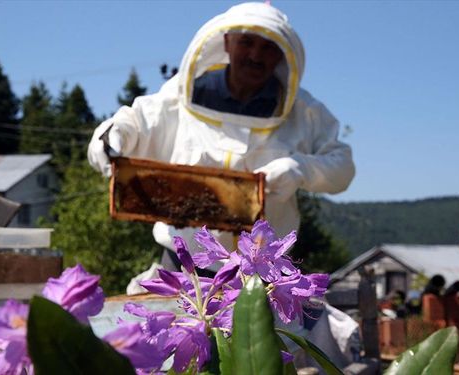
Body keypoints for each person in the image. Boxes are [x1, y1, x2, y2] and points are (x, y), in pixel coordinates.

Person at [88, 2, 355, 269]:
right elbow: (130, 125)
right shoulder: (179, 97)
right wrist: (111, 141)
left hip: (261, 270)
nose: (255, 55)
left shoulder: (304, 111)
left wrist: (300, 169)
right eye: (246, 42)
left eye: (268, 48)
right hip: (183, 263)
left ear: (282, 56)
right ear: (227, 42)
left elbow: (343, 167)